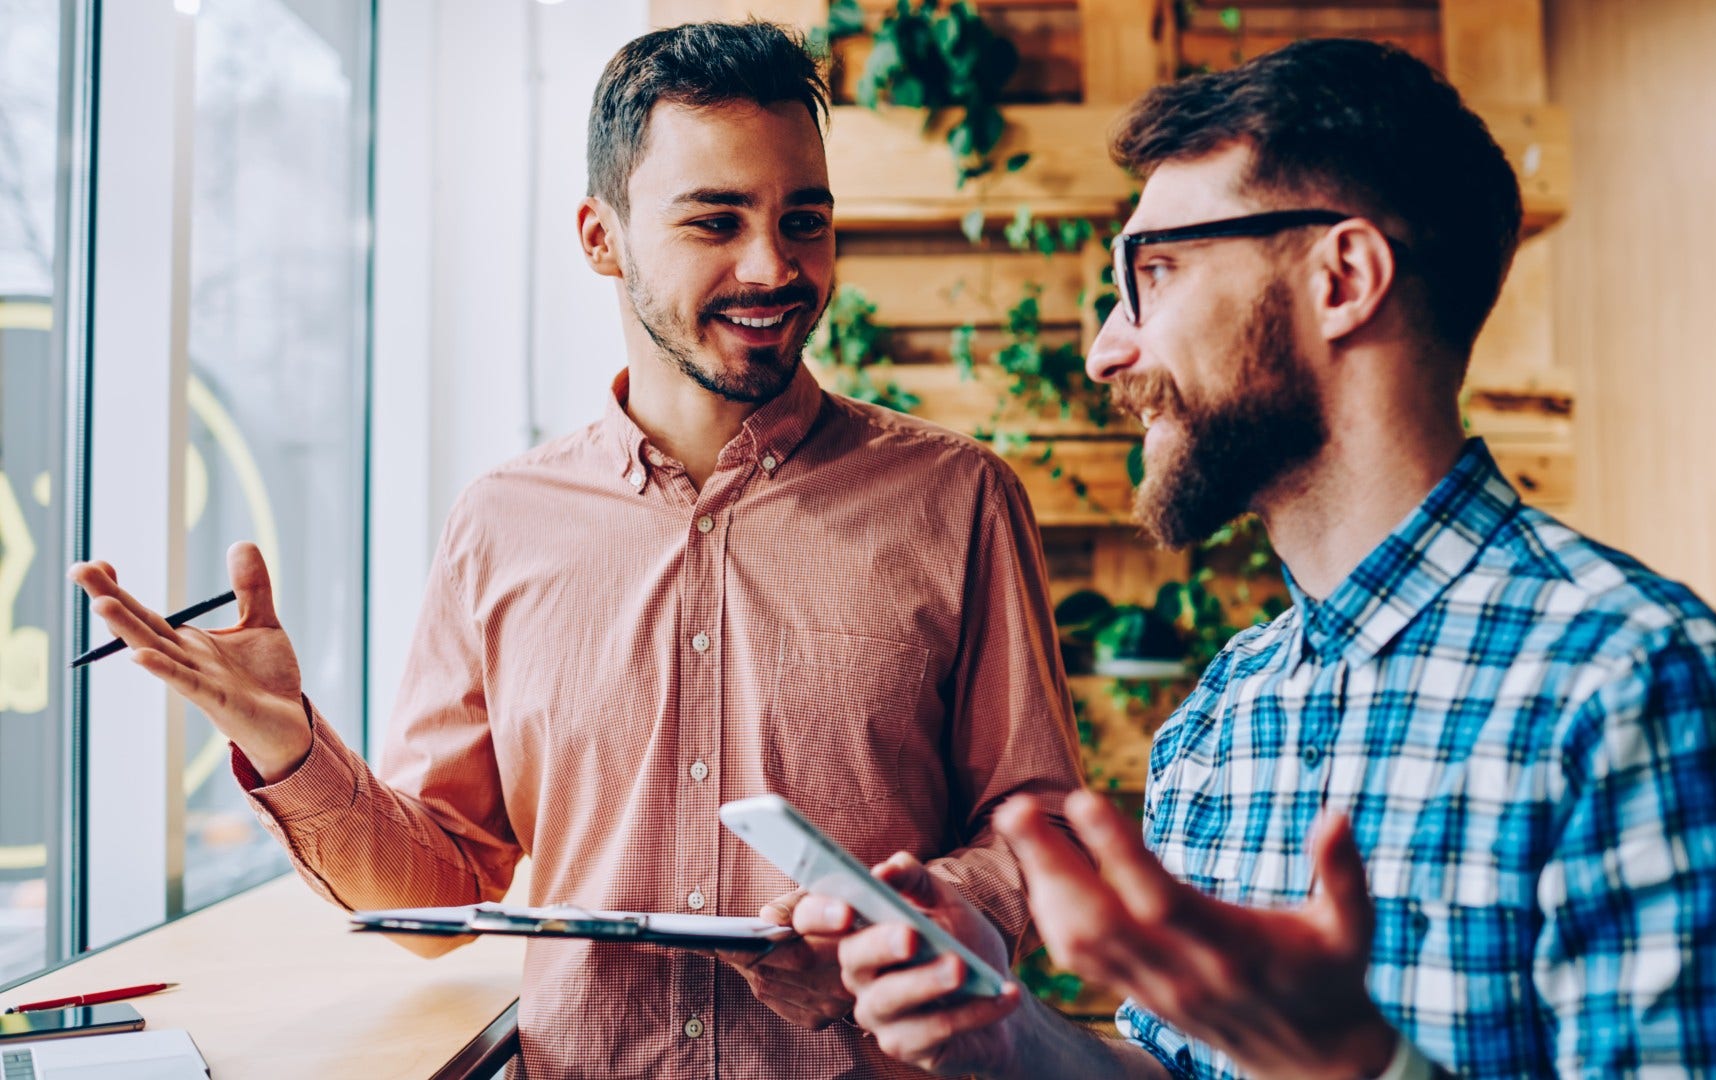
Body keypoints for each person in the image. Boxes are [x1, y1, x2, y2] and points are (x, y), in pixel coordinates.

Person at [795, 38, 1716, 1079]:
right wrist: (1006, 1032)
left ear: (1342, 277)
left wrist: (1355, 1064)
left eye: (1153, 272)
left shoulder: (1637, 690)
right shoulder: (1224, 714)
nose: (1107, 347)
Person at [68, 21, 1082, 1080]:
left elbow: (1040, 830)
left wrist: (904, 927)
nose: (774, 265)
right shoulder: (501, 524)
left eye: (805, 220)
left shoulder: (957, 498)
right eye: (715, 220)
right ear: (602, 238)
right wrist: (288, 748)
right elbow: (440, 901)